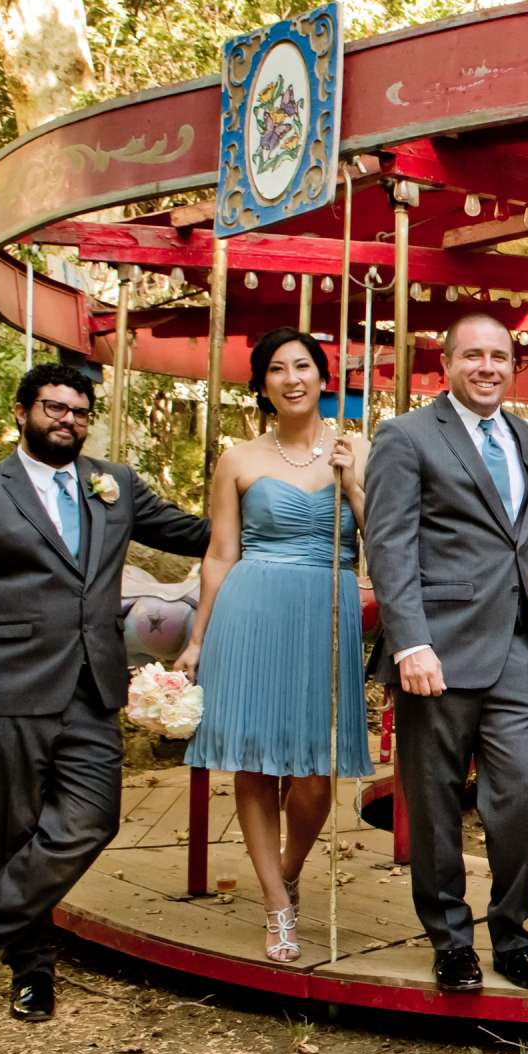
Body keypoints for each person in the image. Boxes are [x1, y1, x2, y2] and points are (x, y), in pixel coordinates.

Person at [0, 363, 212, 1021]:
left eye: (79, 411)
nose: (67, 420)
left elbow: (196, 533)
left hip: (91, 686)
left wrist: (282, 507)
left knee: (92, 820)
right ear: (21, 412)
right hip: (7, 687)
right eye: (54, 407)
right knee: (10, 836)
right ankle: (31, 972)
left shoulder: (115, 486)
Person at [362, 315, 528, 995]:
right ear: (444, 363)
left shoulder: (524, 437)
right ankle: (451, 941)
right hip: (436, 648)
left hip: (514, 644)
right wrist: (411, 642)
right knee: (434, 799)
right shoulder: (405, 436)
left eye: (500, 357)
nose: (487, 366)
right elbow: (389, 544)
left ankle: (511, 932)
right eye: (473, 355)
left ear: (515, 366)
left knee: (520, 795)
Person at [176, 328, 373, 963]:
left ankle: (288, 868)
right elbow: (220, 554)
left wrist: (353, 484)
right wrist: (197, 639)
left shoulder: (355, 446)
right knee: (256, 764)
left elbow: (381, 536)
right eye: (278, 370)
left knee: (317, 772)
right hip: (252, 608)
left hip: (327, 607)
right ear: (262, 386)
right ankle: (276, 903)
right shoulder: (238, 460)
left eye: (304, 367)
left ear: (323, 377)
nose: (293, 379)